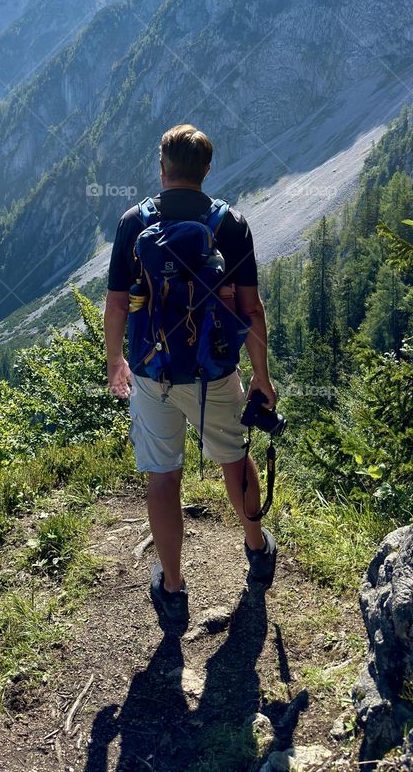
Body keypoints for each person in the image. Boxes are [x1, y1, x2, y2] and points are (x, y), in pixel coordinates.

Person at [104, 123, 278, 628]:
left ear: (162, 168)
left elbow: (117, 303)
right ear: (205, 170)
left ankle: (174, 587)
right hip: (216, 373)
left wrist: (116, 361)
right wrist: (261, 376)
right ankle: (256, 547)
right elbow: (252, 309)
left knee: (163, 479)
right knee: (235, 461)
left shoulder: (133, 222)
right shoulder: (231, 224)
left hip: (152, 372)